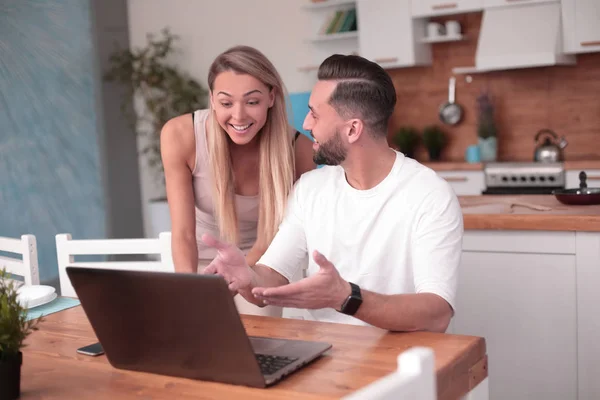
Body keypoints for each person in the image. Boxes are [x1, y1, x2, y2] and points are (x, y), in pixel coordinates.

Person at [200, 54, 464, 332]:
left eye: (314, 113)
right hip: (327, 355)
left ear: (352, 129)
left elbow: (437, 313)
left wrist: (347, 297)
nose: (306, 123)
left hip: (403, 359)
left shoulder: (429, 195)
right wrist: (246, 277)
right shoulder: (310, 190)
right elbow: (271, 277)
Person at [160, 45, 316, 314]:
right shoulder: (180, 135)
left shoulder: (299, 151)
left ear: (271, 97)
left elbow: (277, 234)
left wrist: (243, 273)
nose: (239, 116)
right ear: (211, 99)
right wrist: (192, 289)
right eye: (226, 103)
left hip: (260, 267)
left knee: (258, 338)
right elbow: (183, 233)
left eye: (252, 102)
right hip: (196, 265)